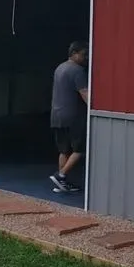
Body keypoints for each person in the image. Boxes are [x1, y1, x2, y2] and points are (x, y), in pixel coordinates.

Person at [49, 41, 89, 193]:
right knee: (80, 149)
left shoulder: (60, 68)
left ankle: (61, 183)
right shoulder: (77, 70)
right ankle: (61, 175)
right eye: (84, 54)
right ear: (74, 53)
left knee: (64, 150)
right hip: (72, 116)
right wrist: (95, 108)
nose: (86, 58)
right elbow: (84, 93)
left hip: (57, 115)